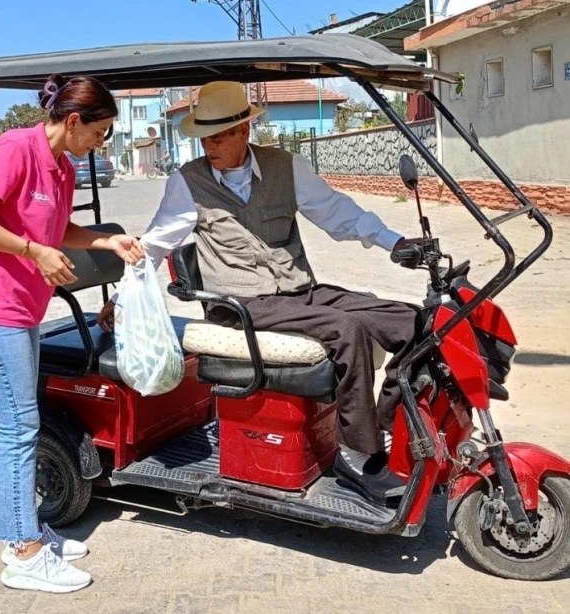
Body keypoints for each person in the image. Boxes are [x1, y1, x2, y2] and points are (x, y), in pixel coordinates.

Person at [98, 80, 420, 505]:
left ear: (244, 132)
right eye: (203, 138)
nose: (208, 147)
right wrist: (121, 298)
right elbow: (155, 245)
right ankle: (358, 452)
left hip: (298, 292)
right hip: (241, 307)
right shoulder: (188, 183)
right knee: (346, 329)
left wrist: (394, 242)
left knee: (411, 319)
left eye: (217, 138)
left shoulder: (286, 167)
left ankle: (387, 424)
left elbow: (340, 213)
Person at [0, 73, 144, 593]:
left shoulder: (63, 166)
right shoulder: (15, 149)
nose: (103, 142)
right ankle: (23, 552)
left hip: (21, 310)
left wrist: (107, 243)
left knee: (22, 422)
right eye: (100, 132)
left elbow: (58, 232)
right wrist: (32, 252)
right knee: (19, 426)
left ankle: (26, 530)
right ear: (73, 121)